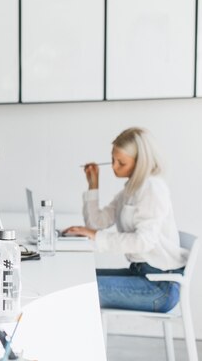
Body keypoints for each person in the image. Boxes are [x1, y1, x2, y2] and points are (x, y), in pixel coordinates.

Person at [64, 127, 187, 313]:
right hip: (139, 274)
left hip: (159, 287)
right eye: (113, 160)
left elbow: (143, 241)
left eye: (121, 162)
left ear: (141, 163)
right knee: (77, 280)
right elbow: (96, 223)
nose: (114, 167)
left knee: (76, 291)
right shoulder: (129, 191)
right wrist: (93, 184)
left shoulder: (153, 188)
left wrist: (95, 236)